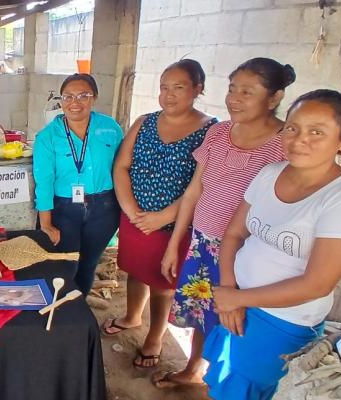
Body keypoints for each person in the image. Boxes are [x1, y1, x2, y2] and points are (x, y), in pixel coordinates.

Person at [205, 89, 341, 399]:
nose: (300, 138)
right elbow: (234, 234)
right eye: (292, 127)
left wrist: (239, 299)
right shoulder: (269, 173)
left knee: (248, 388)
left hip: (282, 320)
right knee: (225, 375)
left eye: (317, 131)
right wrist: (229, 290)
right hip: (234, 298)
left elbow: (316, 284)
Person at [155, 58, 295, 388]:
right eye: (232, 89)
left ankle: (227, 383)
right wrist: (175, 245)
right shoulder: (218, 133)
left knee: (239, 320)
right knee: (204, 313)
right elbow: (194, 191)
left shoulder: (285, 146)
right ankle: (193, 370)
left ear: (273, 98)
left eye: (247, 92)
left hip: (249, 253)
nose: (234, 98)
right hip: (203, 243)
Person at [106, 60, 218, 369]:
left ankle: (155, 337)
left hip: (175, 225)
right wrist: (131, 210)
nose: (168, 95)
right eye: (163, 87)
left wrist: (164, 217)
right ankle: (131, 316)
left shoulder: (212, 131)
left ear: (198, 89)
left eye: (178, 87)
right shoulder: (144, 122)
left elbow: (204, 184)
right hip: (135, 217)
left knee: (162, 283)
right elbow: (121, 167)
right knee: (134, 270)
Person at [33, 73, 123, 295]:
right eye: (68, 96)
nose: (75, 102)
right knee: (64, 264)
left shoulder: (110, 128)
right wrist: (46, 224)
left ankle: (79, 308)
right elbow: (44, 182)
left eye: (83, 95)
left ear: (94, 98)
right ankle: (62, 312)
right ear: (61, 100)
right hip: (64, 209)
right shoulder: (48, 136)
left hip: (104, 208)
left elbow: (122, 169)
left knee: (88, 263)